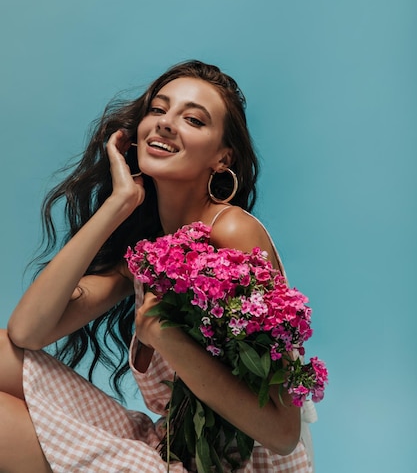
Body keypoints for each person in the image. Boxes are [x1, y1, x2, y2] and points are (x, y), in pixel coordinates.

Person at [1, 60, 315, 472]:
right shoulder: (150, 254)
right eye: (159, 109)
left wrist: (169, 339)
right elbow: (27, 331)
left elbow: (281, 432)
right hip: (170, 449)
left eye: (192, 119)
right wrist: (118, 204)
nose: (166, 124)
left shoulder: (232, 231)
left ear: (223, 159)